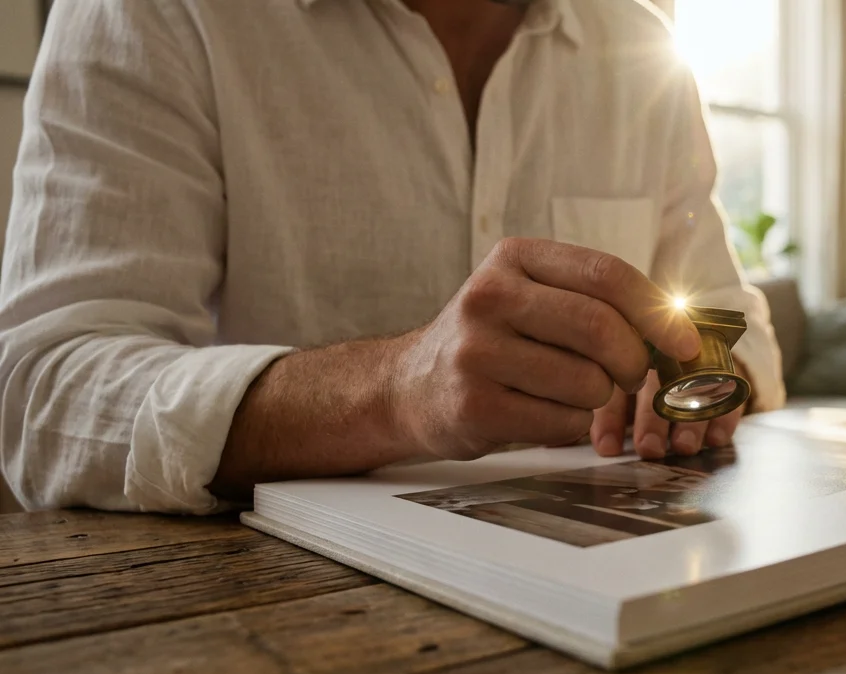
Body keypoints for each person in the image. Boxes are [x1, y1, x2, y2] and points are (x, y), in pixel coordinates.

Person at [0, 0, 784, 513]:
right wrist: (396, 391)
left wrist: (700, 376)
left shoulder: (644, 43)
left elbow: (732, 314)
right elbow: (41, 390)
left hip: (631, 590)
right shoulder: (155, 14)